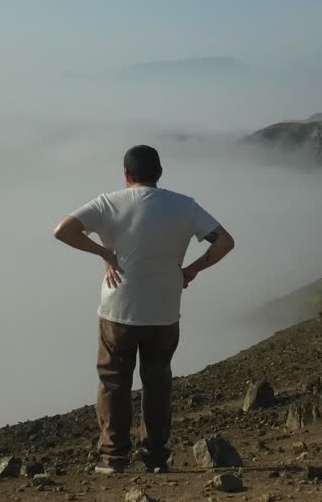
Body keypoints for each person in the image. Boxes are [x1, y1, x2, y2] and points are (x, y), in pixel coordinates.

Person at [53, 144, 235, 474]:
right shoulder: (184, 206)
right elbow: (225, 242)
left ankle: (114, 458)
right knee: (157, 382)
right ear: (159, 174)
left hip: (117, 309)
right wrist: (190, 270)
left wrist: (105, 254)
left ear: (126, 174)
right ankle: (155, 457)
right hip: (165, 309)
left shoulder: (108, 203)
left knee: (114, 382)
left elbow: (63, 230)